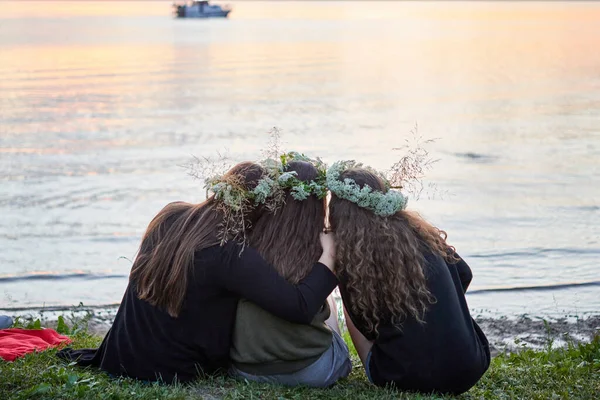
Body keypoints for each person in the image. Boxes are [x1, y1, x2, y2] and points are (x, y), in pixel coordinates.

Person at [58, 162, 338, 384]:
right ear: (258, 210)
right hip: (172, 368)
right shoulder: (231, 253)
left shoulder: (170, 215)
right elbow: (299, 306)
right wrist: (330, 257)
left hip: (123, 353)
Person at [327, 163, 490, 395]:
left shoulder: (355, 260)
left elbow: (364, 324)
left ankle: (382, 363)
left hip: (404, 378)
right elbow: (464, 274)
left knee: (353, 316)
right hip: (469, 369)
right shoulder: (421, 234)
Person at [229, 159, 351, 387]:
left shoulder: (248, 242)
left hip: (247, 369)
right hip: (312, 371)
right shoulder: (322, 247)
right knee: (330, 304)